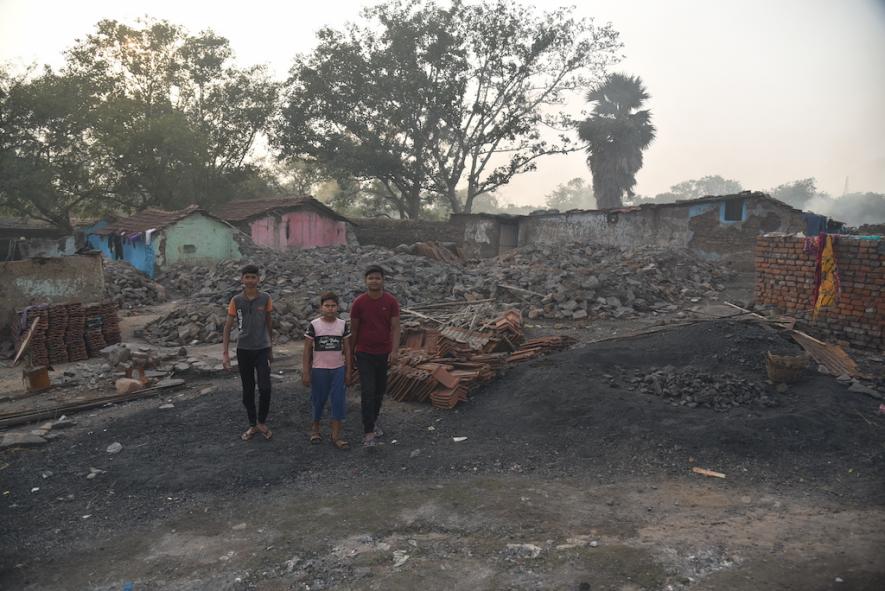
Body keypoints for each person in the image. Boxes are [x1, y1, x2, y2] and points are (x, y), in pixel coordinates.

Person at [350, 265, 400, 447]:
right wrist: (350, 355)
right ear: (365, 281)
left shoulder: (391, 301)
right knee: (368, 391)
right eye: (370, 278)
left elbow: (395, 328)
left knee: (379, 391)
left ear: (383, 280)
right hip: (364, 353)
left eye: (377, 278)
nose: (374, 281)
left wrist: (394, 351)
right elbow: (354, 330)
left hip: (384, 353)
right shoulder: (359, 303)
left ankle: (374, 420)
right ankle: (368, 432)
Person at [222, 264, 274, 441]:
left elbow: (269, 323)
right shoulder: (236, 301)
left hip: (262, 349)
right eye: (247, 277)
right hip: (243, 350)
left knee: (265, 388)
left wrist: (270, 348)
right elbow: (228, 327)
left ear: (259, 279)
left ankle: (261, 421)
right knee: (248, 389)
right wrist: (225, 354)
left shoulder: (265, 298)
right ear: (242, 279)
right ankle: (253, 424)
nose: (250, 280)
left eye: (253, 277)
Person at [302, 291, 353, 450]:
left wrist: (348, 371)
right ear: (321, 307)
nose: (330, 309)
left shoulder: (343, 325)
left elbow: (348, 350)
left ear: (337, 307)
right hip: (319, 370)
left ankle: (336, 435)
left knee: (338, 401)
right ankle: (315, 429)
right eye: (327, 306)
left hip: (338, 369)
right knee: (318, 401)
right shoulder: (314, 325)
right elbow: (306, 350)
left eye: (333, 306)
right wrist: (306, 371)